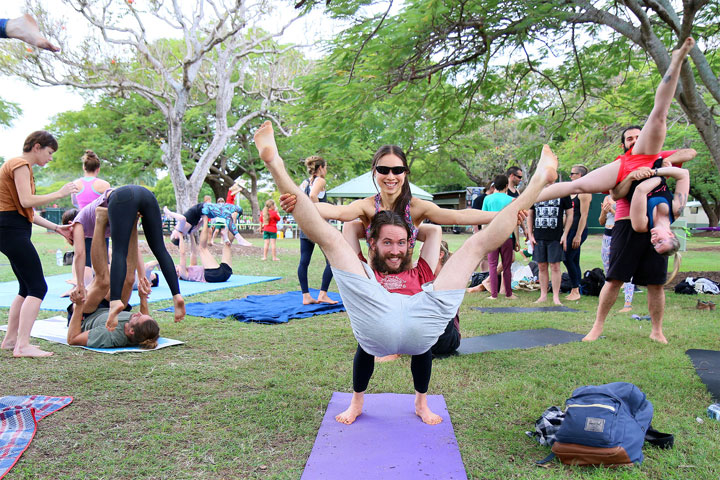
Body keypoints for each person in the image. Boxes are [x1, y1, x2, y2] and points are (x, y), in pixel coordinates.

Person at [253, 119, 558, 425]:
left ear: (405, 174)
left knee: (473, 249)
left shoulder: (417, 206)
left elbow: (461, 215)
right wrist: (300, 202)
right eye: (384, 169)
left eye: (397, 170)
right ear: (375, 172)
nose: (390, 175)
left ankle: (536, 185)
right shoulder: (365, 206)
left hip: (413, 286)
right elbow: (330, 216)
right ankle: (275, 164)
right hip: (375, 286)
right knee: (332, 241)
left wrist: (504, 214)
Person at [582, 37, 696, 344]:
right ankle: (597, 327)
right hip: (624, 222)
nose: (635, 141)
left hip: (651, 219)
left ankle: (657, 330)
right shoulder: (620, 165)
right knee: (615, 277)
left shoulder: (656, 157)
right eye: (630, 139)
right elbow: (617, 194)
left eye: (638, 136)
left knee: (656, 282)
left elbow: (689, 155)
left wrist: (659, 164)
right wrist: (636, 177)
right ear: (624, 146)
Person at [0, 131, 77, 357]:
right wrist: (59, 193)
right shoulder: (20, 164)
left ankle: (11, 340)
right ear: (37, 146)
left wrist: (56, 227)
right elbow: (27, 201)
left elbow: (27, 211)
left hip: (12, 228)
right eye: (49, 152)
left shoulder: (21, 167)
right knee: (38, 287)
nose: (50, 158)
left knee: (26, 287)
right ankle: (23, 346)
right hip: (11, 230)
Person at [66, 208, 160, 349]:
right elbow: (145, 318)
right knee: (129, 280)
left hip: (85, 314)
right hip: (110, 310)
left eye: (137, 317)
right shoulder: (143, 331)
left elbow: (72, 339)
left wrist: (79, 305)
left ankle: (100, 220)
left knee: (103, 281)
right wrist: (142, 297)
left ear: (130, 331)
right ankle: (133, 223)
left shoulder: (109, 335)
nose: (138, 313)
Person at [104, 185, 185, 329]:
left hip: (122, 197)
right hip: (147, 195)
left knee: (119, 251)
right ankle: (176, 294)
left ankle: (115, 300)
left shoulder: (100, 203)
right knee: (160, 249)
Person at [297, 156, 337, 305]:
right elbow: (313, 195)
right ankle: (323, 294)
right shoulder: (320, 180)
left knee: (304, 261)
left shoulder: (304, 183)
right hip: (317, 225)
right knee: (333, 260)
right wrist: (319, 214)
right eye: (325, 167)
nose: (326, 171)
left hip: (305, 225)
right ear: (320, 168)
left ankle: (306, 296)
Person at [527, 188, 573, 305]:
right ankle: (543, 295)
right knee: (541, 266)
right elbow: (530, 214)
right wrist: (530, 234)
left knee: (555, 266)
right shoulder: (536, 191)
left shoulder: (562, 191)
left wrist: (565, 234)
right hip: (539, 236)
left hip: (556, 237)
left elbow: (570, 214)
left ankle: (556, 296)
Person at [481, 174, 520, 299]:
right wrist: (517, 240)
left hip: (491, 236)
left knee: (492, 266)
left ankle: (494, 294)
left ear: (494, 186)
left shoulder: (487, 199)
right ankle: (508, 293)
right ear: (507, 185)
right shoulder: (511, 200)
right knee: (506, 266)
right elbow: (514, 222)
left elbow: (483, 220)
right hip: (506, 237)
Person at [598, 195, 634, 312]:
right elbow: (601, 221)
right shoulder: (607, 198)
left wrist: (611, 210)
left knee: (627, 268)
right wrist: (604, 212)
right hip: (607, 235)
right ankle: (606, 300)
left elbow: (626, 217)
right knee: (608, 269)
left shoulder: (628, 197)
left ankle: (627, 303)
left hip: (622, 234)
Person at [563, 165, 592, 301]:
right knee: (574, 259)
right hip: (569, 230)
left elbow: (584, 215)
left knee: (567, 257)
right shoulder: (571, 192)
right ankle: (576, 288)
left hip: (578, 230)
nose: (570, 176)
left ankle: (575, 288)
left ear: (580, 175)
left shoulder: (585, 192)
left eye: (572, 173)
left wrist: (578, 235)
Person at [176, 216, 233, 283]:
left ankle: (233, 216)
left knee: (227, 245)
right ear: (177, 274)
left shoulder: (191, 267)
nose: (178, 265)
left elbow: (193, 252)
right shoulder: (183, 274)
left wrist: (191, 234)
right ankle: (205, 219)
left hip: (225, 273)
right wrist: (180, 236)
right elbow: (182, 254)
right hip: (213, 274)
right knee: (202, 248)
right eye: (176, 267)